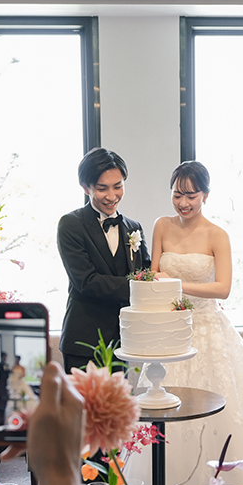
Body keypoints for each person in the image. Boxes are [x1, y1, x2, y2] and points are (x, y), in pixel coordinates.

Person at [140, 160, 243, 485]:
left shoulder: (217, 234)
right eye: (177, 195)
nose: (183, 203)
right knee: (163, 407)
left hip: (208, 328)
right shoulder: (161, 226)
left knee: (216, 411)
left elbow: (223, 289)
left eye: (191, 195)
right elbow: (153, 278)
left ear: (205, 195)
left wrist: (176, 283)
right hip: (170, 328)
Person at [57, 147, 151, 371]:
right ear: (85, 187)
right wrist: (141, 287)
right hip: (83, 342)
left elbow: (145, 272)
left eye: (118, 186)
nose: (111, 196)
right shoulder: (70, 225)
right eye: (102, 188)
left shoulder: (134, 227)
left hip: (122, 342)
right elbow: (87, 282)